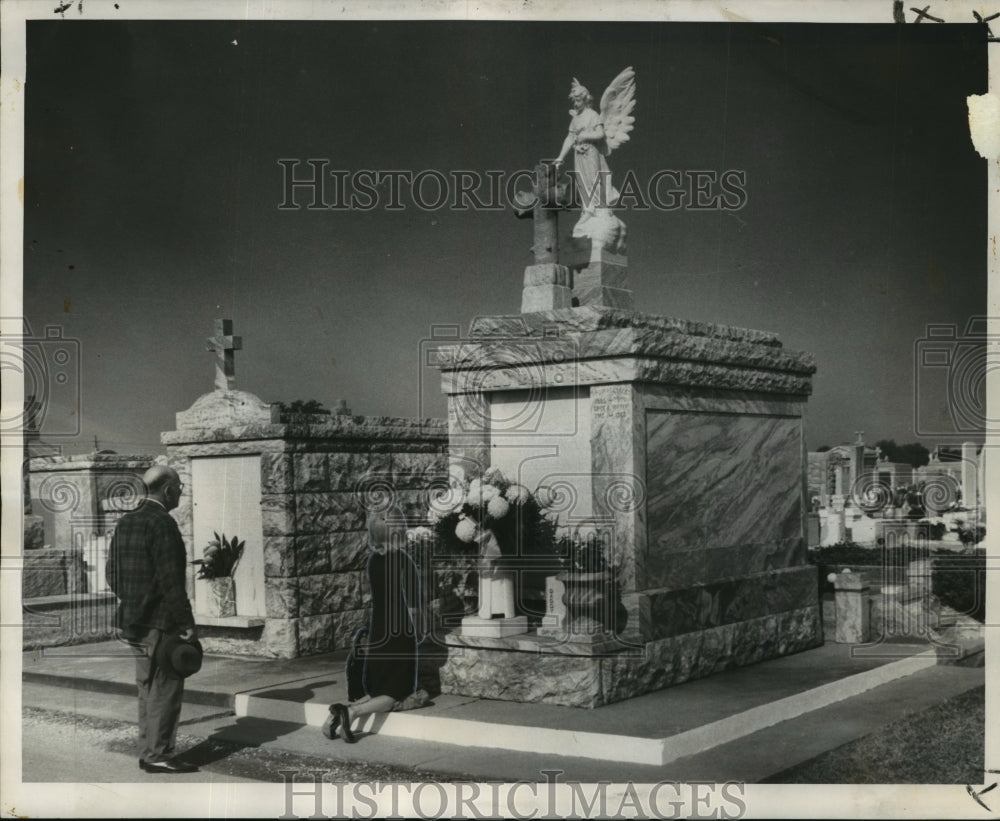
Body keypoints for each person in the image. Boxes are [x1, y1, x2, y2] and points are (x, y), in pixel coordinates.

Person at [106, 465, 199, 774]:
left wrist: (133, 600)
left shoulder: (127, 521)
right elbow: (171, 581)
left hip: (132, 621)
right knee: (165, 687)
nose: (181, 493)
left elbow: (111, 573)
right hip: (161, 623)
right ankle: (159, 754)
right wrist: (186, 623)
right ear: (168, 490)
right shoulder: (163, 523)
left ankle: (149, 751)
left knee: (146, 687)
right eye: (180, 488)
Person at [323, 507, 428, 742]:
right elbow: (413, 606)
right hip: (400, 633)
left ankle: (335, 716)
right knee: (394, 693)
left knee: (377, 689)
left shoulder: (373, 562)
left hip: (378, 630)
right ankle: (352, 711)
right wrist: (420, 629)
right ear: (400, 532)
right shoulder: (404, 562)